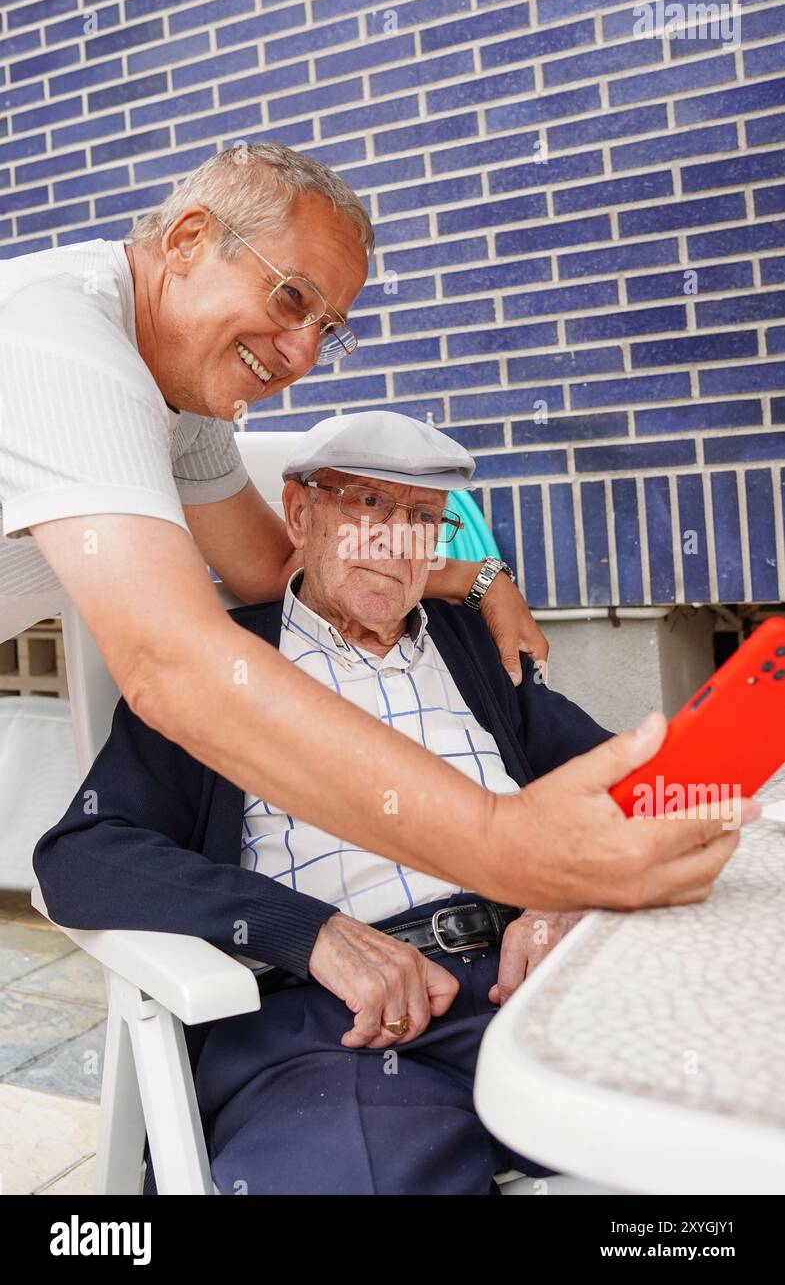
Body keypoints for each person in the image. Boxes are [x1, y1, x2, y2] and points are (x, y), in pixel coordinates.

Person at [2, 144, 748, 908]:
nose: (301, 355)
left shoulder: (184, 402)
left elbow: (266, 567)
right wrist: (500, 844)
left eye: (327, 329)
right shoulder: (62, 342)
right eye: (292, 298)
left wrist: (471, 577)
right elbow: (174, 668)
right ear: (190, 238)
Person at [34, 413, 758, 1195]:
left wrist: (564, 906)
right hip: (338, 1030)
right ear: (300, 514)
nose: (396, 540)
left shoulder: (474, 652)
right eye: (368, 506)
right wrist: (306, 932)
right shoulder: (217, 665)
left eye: (419, 518)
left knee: (723, 1134)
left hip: (531, 994)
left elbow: (621, 789)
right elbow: (83, 854)